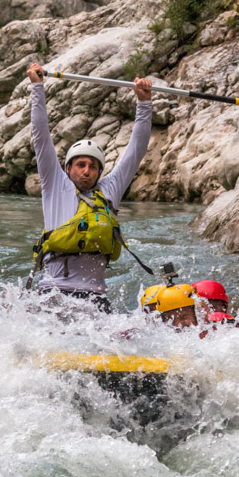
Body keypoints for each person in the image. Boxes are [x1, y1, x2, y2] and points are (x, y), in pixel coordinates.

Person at [26, 61, 153, 311]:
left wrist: (144, 104)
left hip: (95, 298)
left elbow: (135, 152)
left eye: (92, 166)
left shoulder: (109, 191)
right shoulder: (55, 186)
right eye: (80, 165)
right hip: (53, 293)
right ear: (68, 168)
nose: (86, 171)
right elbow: (41, 137)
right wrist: (37, 89)